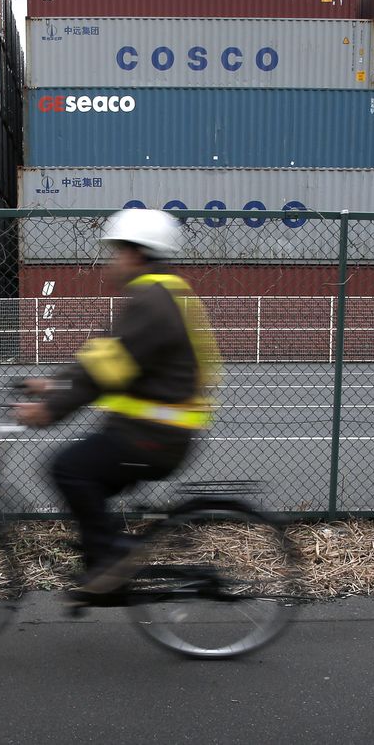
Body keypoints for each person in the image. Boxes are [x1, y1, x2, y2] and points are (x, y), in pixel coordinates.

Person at [15, 207, 220, 601]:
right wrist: (53, 383)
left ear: (137, 254)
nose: (112, 261)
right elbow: (103, 356)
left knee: (69, 468)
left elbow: (107, 369)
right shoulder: (161, 293)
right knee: (86, 474)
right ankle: (107, 555)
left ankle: (110, 562)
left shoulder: (150, 302)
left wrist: (50, 409)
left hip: (154, 436)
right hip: (150, 431)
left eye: (117, 252)